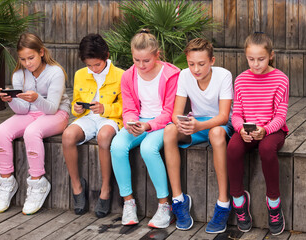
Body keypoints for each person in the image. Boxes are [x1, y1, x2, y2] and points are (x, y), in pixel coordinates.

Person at [0, 33, 70, 215]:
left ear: (41, 52)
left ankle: (38, 183)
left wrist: (36, 98)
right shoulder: (19, 74)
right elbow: (22, 110)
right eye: (23, 59)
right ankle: (6, 182)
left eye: (31, 57)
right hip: (30, 113)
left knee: (31, 132)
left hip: (57, 113)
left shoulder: (55, 72)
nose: (27, 63)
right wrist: (10, 100)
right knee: (1, 131)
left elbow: (51, 108)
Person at [110, 29, 180, 228]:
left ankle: (165, 205)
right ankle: (128, 202)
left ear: (157, 55)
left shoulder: (171, 74)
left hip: (163, 123)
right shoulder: (128, 76)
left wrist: (149, 125)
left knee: (148, 149)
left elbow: (169, 111)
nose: (141, 65)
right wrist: (131, 122)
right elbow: (129, 108)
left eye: (146, 61)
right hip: (139, 122)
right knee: (117, 146)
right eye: (136, 60)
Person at [163, 38, 234, 232]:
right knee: (169, 130)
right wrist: (182, 124)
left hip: (216, 125)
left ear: (212, 61)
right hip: (196, 125)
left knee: (217, 134)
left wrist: (198, 125)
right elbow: (175, 114)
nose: (196, 69)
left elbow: (223, 116)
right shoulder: (184, 76)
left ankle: (223, 203)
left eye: (201, 64)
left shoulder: (223, 75)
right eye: (191, 64)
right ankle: (178, 200)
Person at [227, 32, 288, 236]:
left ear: (271, 55)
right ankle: (238, 200)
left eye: (260, 59)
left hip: (272, 130)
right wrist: (240, 129)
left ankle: (274, 203)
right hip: (247, 129)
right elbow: (236, 114)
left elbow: (281, 115)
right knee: (233, 147)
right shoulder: (241, 80)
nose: (255, 64)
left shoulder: (281, 79)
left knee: (266, 148)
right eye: (250, 59)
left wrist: (266, 130)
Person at [62, 34, 124, 217]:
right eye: (89, 65)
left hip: (111, 118)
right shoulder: (81, 74)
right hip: (88, 117)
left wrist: (106, 108)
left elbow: (126, 107)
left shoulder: (121, 75)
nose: (93, 69)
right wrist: (77, 109)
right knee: (67, 136)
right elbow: (77, 102)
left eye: (97, 64)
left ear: (106, 56)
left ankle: (106, 188)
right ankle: (77, 186)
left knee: (103, 136)